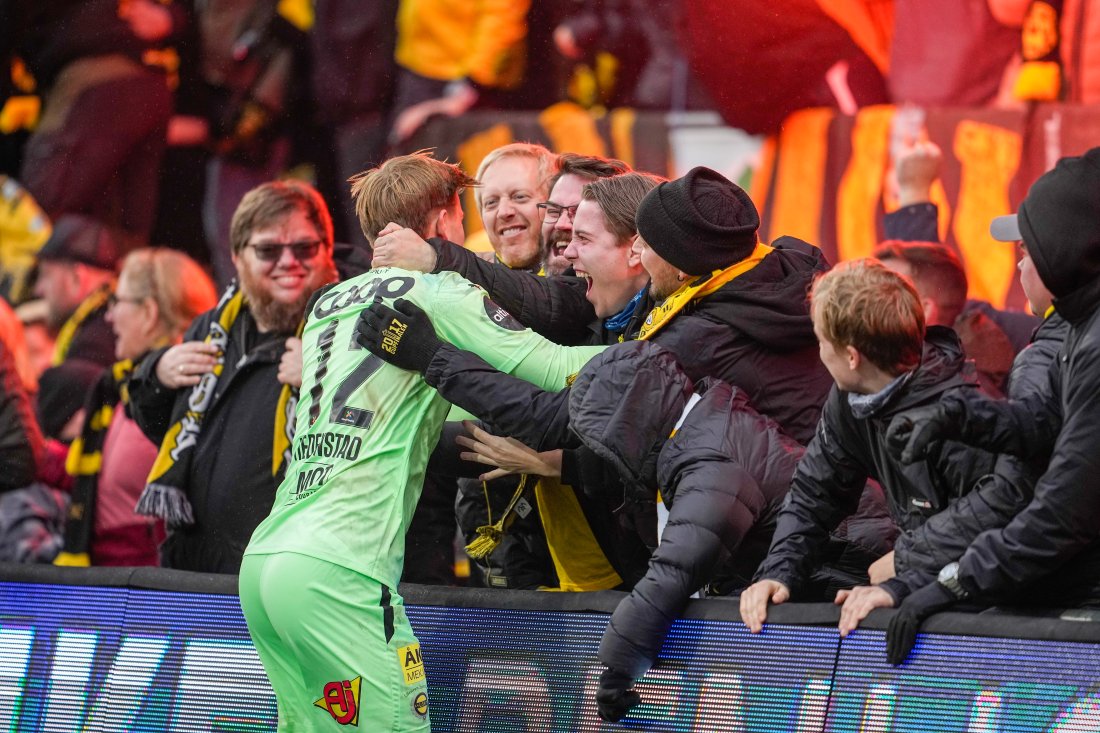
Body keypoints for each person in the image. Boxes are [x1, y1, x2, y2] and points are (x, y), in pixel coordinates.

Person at [239, 153, 605, 730]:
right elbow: (558, 368)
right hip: (342, 570)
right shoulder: (439, 292)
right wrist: (667, 348)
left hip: (267, 562)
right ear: (442, 220)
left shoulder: (326, 305)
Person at [881, 147, 1100, 664]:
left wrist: (950, 581)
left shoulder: (1089, 342)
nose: (1019, 263)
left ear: (1063, 255)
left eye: (1028, 250)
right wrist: (961, 416)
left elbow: (1064, 507)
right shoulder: (1078, 325)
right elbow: (1047, 427)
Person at [739, 259, 1000, 636]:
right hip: (921, 580)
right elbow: (815, 491)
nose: (819, 353)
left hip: (988, 603)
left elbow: (996, 525)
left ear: (851, 356)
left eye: (821, 341)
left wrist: (905, 568)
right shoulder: (851, 395)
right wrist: (779, 573)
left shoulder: (966, 416)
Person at [564, 341, 804, 722]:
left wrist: (616, 669)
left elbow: (676, 569)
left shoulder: (710, 457)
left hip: (850, 586)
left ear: (632, 423)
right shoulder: (701, 424)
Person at [127, 180, 338, 573]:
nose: (288, 261)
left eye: (305, 247)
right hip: (196, 566)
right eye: (268, 250)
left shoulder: (346, 331)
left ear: (327, 252)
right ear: (238, 258)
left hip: (288, 573)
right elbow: (161, 432)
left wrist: (328, 378)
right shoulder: (211, 328)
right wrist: (156, 373)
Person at [55, 248, 217, 567]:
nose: (109, 316)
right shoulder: (123, 388)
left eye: (118, 301)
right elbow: (102, 490)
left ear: (149, 312)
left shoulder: (189, 395)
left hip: (146, 604)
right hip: (113, 593)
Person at [33, 214, 126, 368]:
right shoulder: (108, 327)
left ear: (76, 278)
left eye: (46, 275)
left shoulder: (92, 346)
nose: (38, 289)